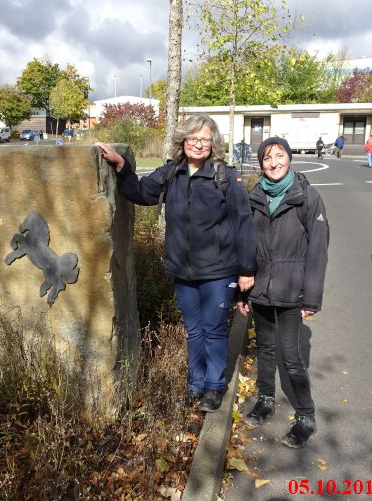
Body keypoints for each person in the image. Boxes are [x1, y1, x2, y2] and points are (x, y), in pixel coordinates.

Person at [96, 115, 256, 413]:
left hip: (218, 272)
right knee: (194, 331)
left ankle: (214, 387)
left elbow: (244, 225)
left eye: (205, 139)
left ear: (213, 143)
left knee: (215, 331)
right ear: (183, 141)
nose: (198, 144)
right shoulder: (172, 172)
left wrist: (247, 270)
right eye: (193, 138)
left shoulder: (225, 177)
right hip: (183, 272)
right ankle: (195, 385)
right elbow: (142, 192)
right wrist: (122, 167)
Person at [236, 137, 329, 449]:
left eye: (279, 156)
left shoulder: (307, 197)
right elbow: (244, 246)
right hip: (260, 287)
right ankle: (264, 400)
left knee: (291, 357)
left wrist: (312, 296)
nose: (273, 163)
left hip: (291, 289)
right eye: (266, 158)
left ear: (289, 158)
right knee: (265, 350)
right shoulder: (255, 196)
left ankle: (306, 415)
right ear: (260, 164)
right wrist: (242, 292)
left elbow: (318, 251)